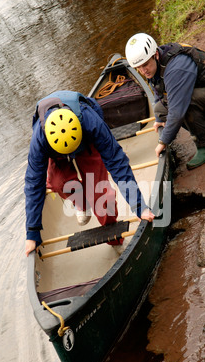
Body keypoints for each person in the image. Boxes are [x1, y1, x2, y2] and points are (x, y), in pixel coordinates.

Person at [25, 90, 154, 256]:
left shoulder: (91, 122)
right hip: (56, 149)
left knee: (101, 197)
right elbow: (33, 184)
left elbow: (117, 163)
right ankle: (81, 203)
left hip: (86, 142)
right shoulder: (39, 140)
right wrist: (32, 233)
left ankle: (115, 241)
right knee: (58, 183)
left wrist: (140, 207)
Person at [125, 33, 205, 169]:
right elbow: (157, 90)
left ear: (155, 54)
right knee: (161, 109)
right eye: (138, 68)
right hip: (204, 91)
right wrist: (158, 118)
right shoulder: (155, 64)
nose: (143, 70)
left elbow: (177, 112)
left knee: (184, 103)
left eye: (145, 65)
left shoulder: (175, 67)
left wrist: (163, 141)